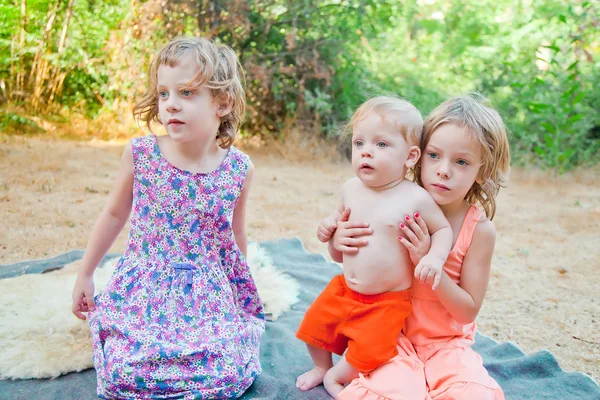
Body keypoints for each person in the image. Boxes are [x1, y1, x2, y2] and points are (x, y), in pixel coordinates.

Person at [71, 36, 265, 399]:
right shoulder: (141, 154)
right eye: (164, 94)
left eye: (187, 93)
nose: (171, 105)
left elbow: (235, 235)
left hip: (206, 290)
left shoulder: (238, 168)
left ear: (222, 102)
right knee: (128, 369)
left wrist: (241, 293)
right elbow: (114, 214)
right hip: (146, 285)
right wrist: (85, 273)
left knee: (224, 368)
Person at [333, 93, 510, 399]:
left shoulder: (478, 230)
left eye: (462, 161)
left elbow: (467, 311)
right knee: (391, 393)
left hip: (446, 343)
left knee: (472, 394)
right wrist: (338, 240)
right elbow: (355, 258)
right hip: (389, 335)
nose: (443, 170)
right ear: (415, 154)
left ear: (482, 171)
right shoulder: (396, 203)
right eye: (434, 155)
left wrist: (430, 264)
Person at [296, 96, 453, 398]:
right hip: (344, 288)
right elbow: (338, 233)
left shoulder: (414, 198)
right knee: (313, 327)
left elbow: (442, 229)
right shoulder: (350, 189)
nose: (366, 151)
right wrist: (330, 231)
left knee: (371, 350)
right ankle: (320, 366)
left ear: (409, 157)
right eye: (359, 143)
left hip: (386, 301)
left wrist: (434, 257)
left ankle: (339, 375)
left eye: (381, 145)